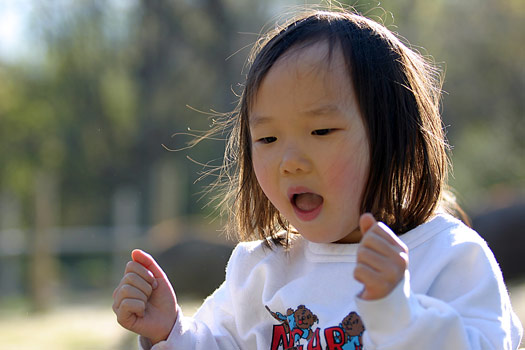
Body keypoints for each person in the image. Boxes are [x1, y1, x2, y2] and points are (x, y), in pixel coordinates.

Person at [112, 8, 523, 350]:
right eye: (268, 138)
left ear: (395, 136)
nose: (290, 161)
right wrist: (170, 334)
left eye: (321, 131)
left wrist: (399, 312)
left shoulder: (447, 257)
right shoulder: (262, 269)